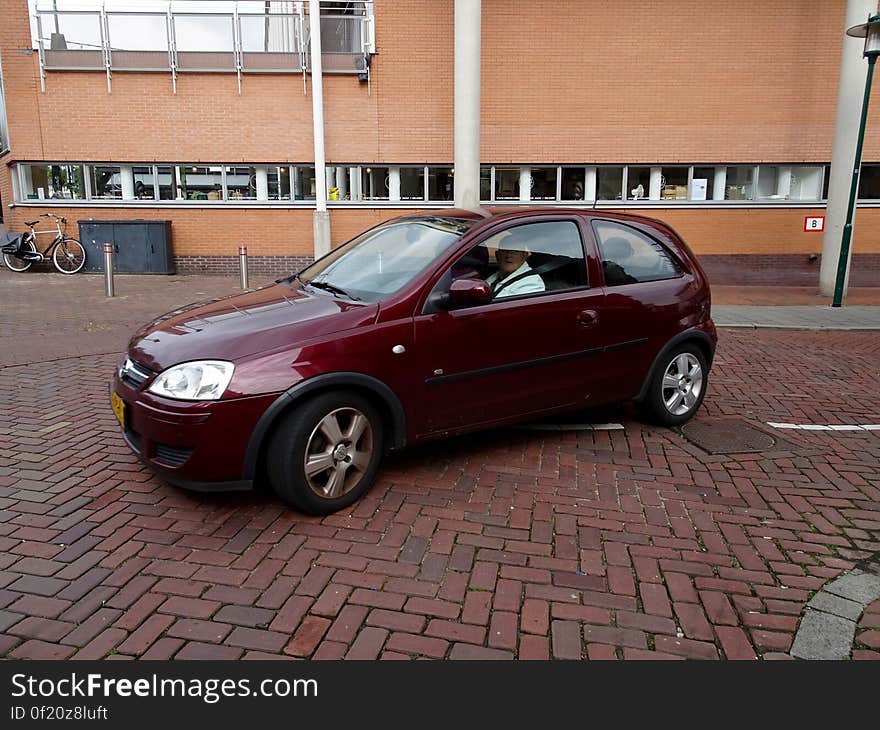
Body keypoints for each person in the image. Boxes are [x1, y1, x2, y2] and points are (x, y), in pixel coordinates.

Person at [485, 229, 546, 298]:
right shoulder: (495, 277)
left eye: (515, 251)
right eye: (505, 250)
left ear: (524, 256)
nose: (509, 255)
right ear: (497, 255)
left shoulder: (532, 283)